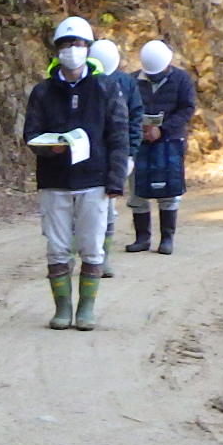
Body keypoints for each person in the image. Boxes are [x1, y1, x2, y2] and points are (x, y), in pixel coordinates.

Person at [24, 16, 128, 332]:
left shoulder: (106, 88)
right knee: (56, 246)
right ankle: (62, 308)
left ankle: (86, 308)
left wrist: (115, 179)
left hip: (94, 180)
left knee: (92, 246)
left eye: (79, 44)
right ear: (57, 51)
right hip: (54, 181)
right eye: (67, 44)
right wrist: (48, 148)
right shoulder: (42, 92)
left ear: (89, 48)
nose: (73, 50)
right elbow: (31, 134)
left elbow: (119, 135)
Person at [125, 39, 194, 254]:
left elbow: (186, 109)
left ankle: (167, 237)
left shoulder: (182, 80)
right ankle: (142, 237)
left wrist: (162, 129)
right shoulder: (132, 81)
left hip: (170, 142)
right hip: (140, 143)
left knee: (169, 190)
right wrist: (139, 128)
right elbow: (126, 109)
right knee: (137, 189)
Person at [89, 37, 142, 277]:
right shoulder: (81, 80)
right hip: (89, 156)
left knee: (108, 209)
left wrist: (130, 152)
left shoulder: (126, 83)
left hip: (113, 155)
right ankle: (78, 258)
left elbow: (134, 119)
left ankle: (102, 259)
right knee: (82, 211)